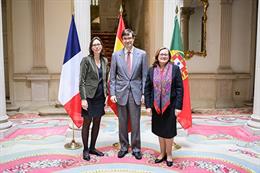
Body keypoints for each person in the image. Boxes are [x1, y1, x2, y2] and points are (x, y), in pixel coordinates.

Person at [110, 29, 148, 160]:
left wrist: (144, 93)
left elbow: (144, 76)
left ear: (133, 39)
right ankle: (124, 147)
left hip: (136, 93)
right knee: (122, 122)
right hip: (121, 93)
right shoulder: (116, 55)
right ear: (122, 40)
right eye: (125, 38)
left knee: (136, 123)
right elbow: (113, 77)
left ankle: (136, 148)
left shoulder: (142, 54)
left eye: (129, 38)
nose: (127, 40)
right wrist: (112, 93)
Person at [144, 47, 183, 167]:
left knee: (169, 132)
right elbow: (148, 89)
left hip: (170, 106)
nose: (164, 56)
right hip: (156, 107)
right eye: (161, 54)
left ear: (169, 56)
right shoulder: (151, 70)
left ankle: (169, 154)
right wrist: (148, 106)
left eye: (166, 54)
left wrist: (178, 107)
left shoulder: (175, 69)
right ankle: (162, 153)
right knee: (160, 131)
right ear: (157, 56)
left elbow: (179, 89)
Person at [79, 37, 109, 161]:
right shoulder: (86, 60)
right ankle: (85, 149)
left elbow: (105, 80)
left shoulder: (105, 61)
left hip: (100, 97)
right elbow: (82, 81)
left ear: (101, 46)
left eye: (98, 44)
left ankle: (92, 147)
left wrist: (106, 95)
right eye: (94, 44)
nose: (97, 46)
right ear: (91, 47)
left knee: (97, 122)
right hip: (89, 97)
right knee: (87, 123)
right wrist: (83, 98)